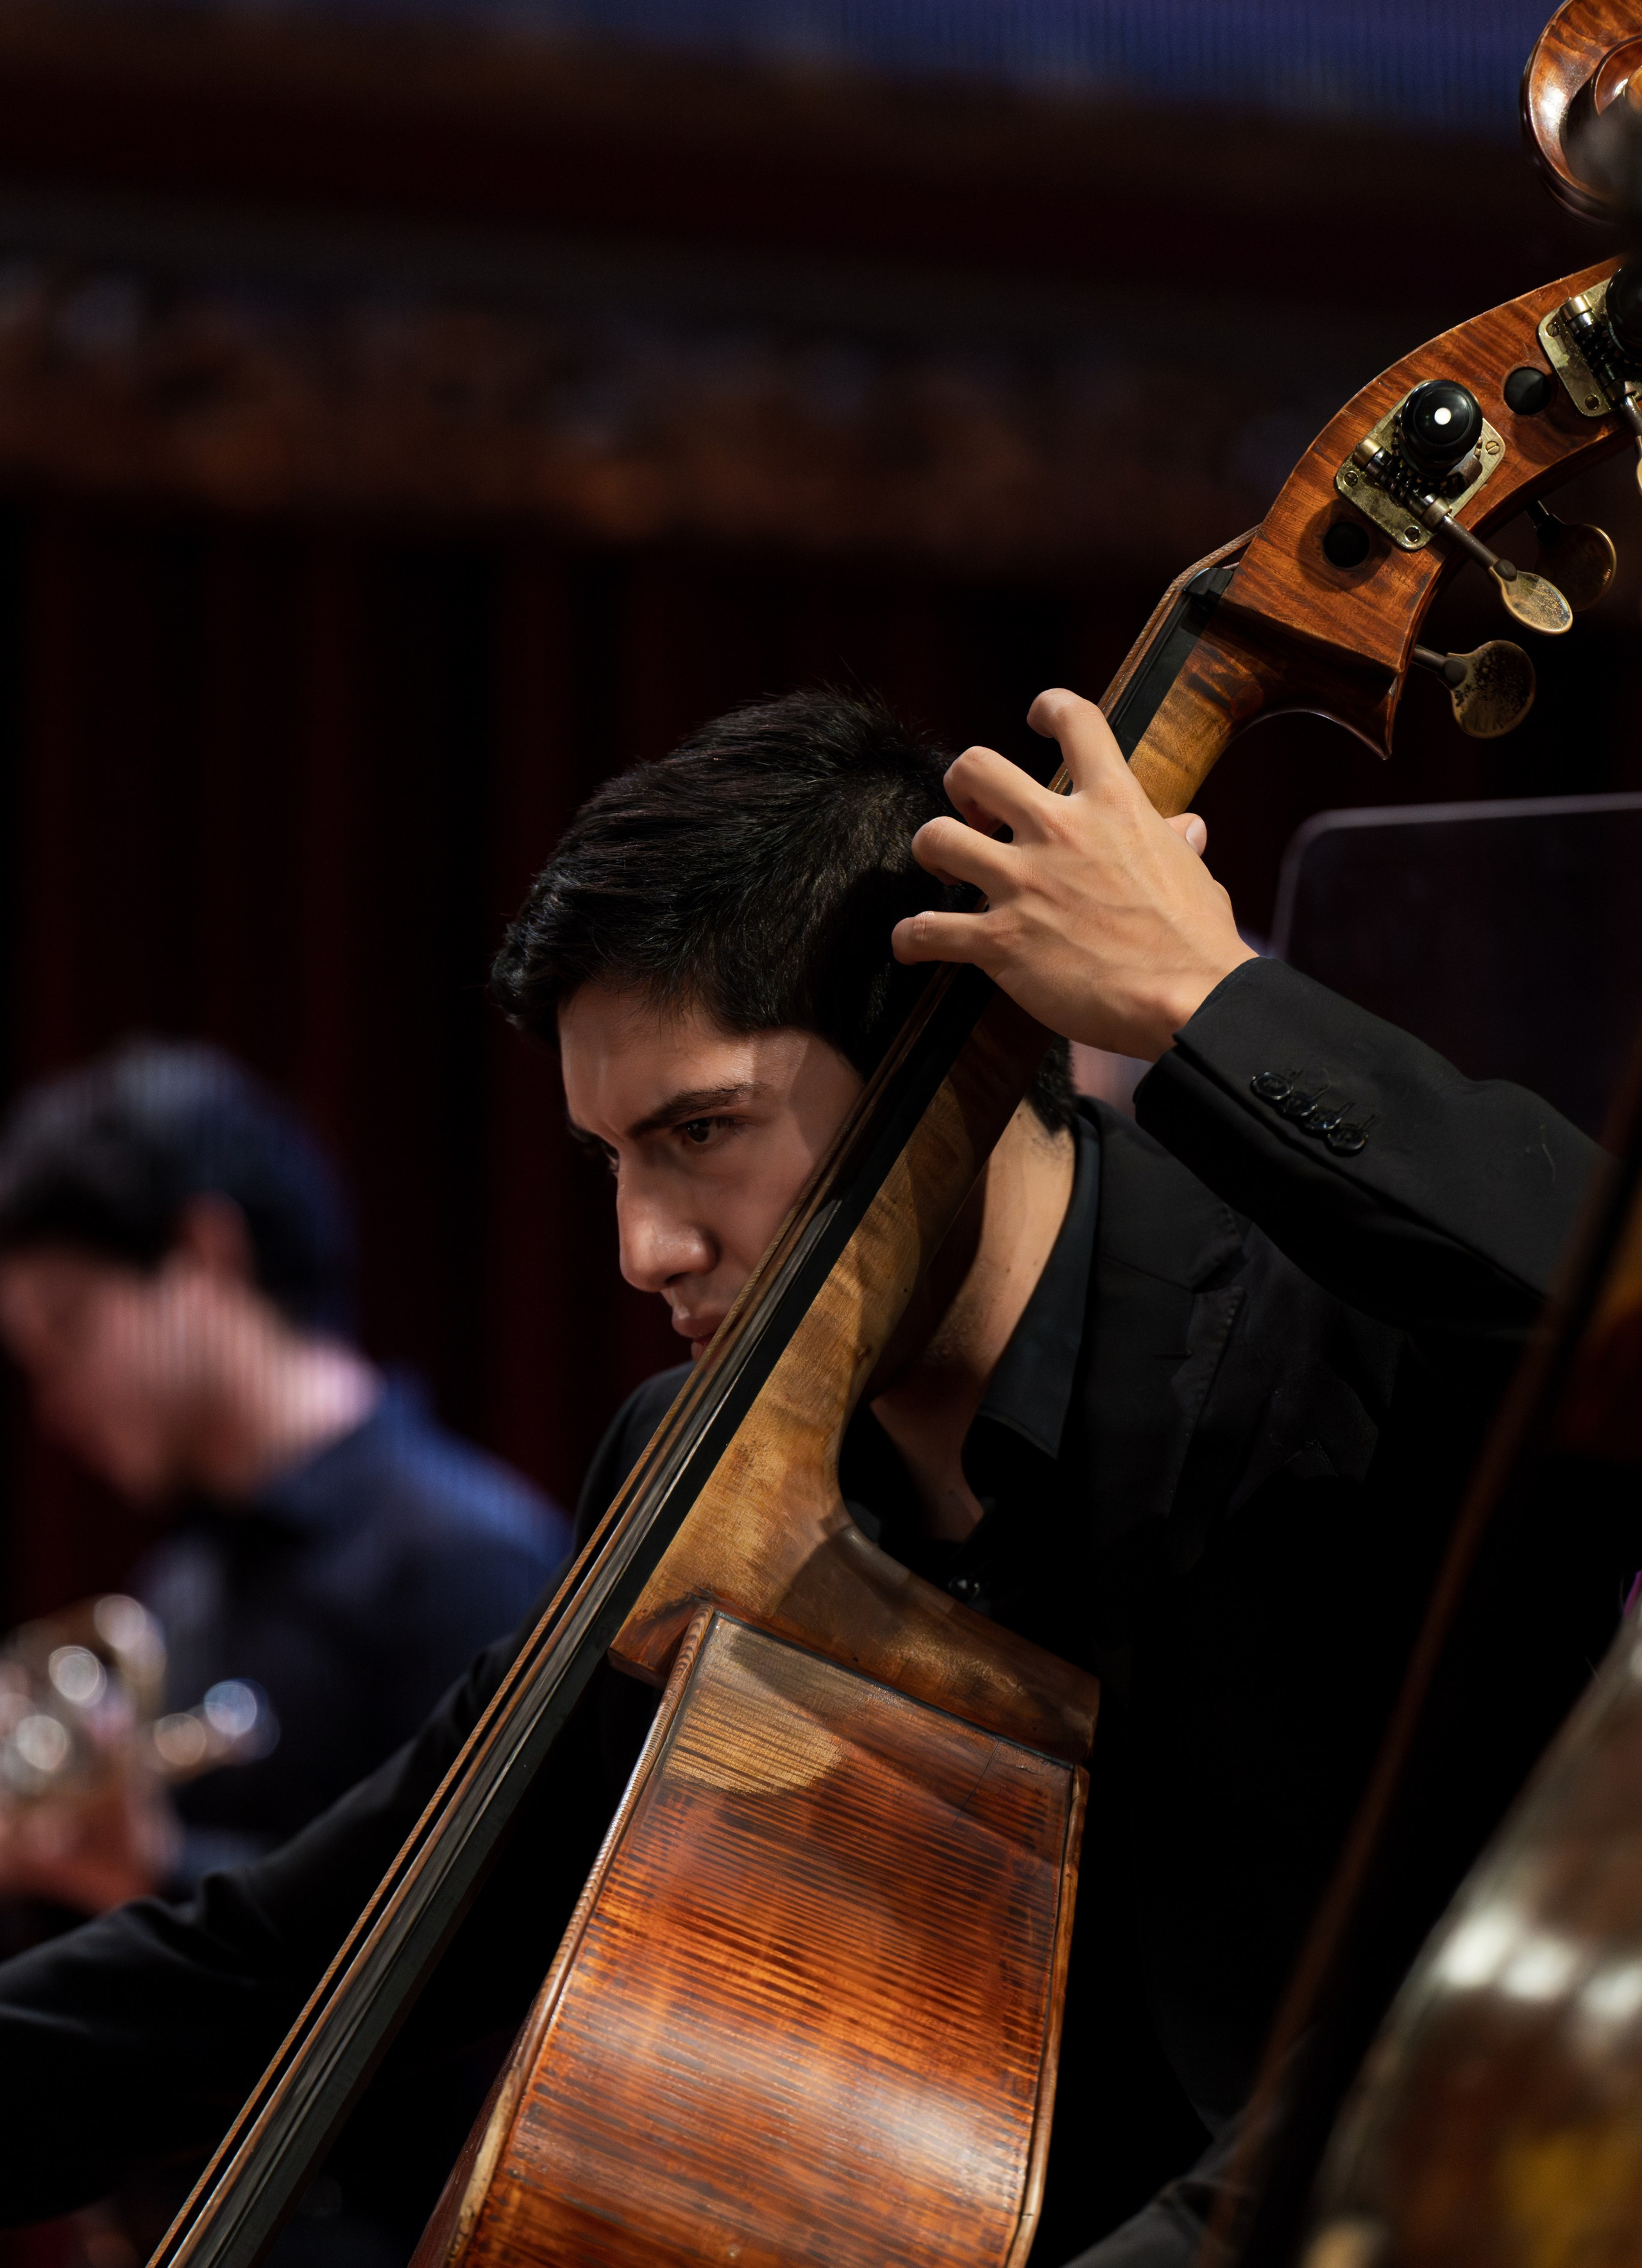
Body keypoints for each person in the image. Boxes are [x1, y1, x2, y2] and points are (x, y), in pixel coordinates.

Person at [0, 688, 1634, 2268]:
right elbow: (295, 1954)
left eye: (702, 1133)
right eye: (611, 1158)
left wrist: (1208, 1004)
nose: (643, 1247)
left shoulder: (1336, 1345)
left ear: (953, 1058)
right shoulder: (697, 1476)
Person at [0, 1041, 569, 1913]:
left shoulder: (468, 1560)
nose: (55, 1407)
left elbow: (489, 1946)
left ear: (204, 1258)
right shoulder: (186, 1579)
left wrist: (161, 1874)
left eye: (68, 1332)